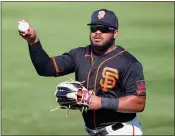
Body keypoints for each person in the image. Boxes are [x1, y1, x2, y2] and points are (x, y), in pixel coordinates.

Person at [19, 9, 146, 135]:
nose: (97, 32)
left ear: (115, 33)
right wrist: (33, 41)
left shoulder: (128, 62)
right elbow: (46, 68)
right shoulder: (79, 55)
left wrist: (100, 102)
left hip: (123, 131)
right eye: (94, 28)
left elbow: (138, 102)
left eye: (104, 29)